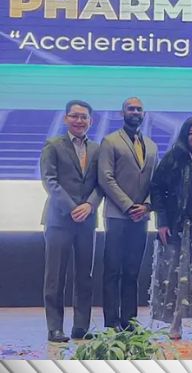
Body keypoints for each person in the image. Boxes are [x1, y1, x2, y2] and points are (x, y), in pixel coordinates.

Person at [40, 100, 103, 342]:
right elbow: (50, 181)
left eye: (84, 117)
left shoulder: (97, 149)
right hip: (59, 220)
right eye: (74, 116)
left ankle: (81, 327)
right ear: (66, 119)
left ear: (91, 121)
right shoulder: (53, 145)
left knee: (84, 276)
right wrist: (73, 207)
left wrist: (89, 205)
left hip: (87, 220)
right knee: (55, 276)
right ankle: (55, 328)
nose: (79, 121)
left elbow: (101, 183)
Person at [149, 116, 192, 340]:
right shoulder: (173, 158)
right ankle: (175, 323)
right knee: (176, 276)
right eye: (191, 133)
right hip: (176, 227)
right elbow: (156, 188)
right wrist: (162, 221)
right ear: (185, 136)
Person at [98, 97, 158, 331]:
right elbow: (105, 177)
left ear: (144, 114)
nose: (135, 112)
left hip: (141, 217)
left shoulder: (152, 146)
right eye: (130, 109)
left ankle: (130, 321)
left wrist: (147, 206)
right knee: (113, 270)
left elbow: (155, 182)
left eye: (139, 109)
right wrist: (128, 205)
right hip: (117, 216)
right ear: (122, 113)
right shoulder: (110, 141)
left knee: (133, 271)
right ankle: (112, 323)